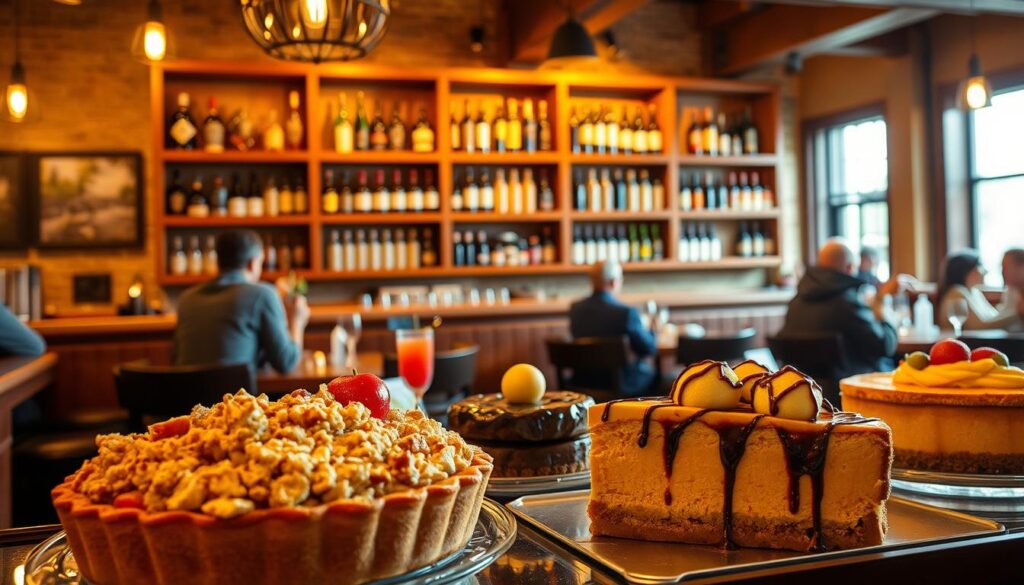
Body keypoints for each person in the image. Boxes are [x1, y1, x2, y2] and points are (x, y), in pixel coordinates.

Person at [173, 230, 309, 374]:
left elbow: (176, 359)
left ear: (218, 261)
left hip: (187, 389)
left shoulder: (186, 299)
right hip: (235, 389)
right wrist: (297, 321)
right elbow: (286, 363)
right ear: (252, 263)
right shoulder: (262, 295)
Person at [778, 238, 898, 378]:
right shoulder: (848, 304)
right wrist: (881, 304)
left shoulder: (794, 304)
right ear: (850, 267)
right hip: (849, 387)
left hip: (801, 387)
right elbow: (885, 346)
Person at [568, 260, 657, 396]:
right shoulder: (626, 313)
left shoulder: (575, 309)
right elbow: (648, 348)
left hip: (581, 383)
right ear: (614, 282)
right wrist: (653, 328)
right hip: (620, 386)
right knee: (655, 377)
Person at [937, 250, 1023, 331]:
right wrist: (1018, 313)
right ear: (966, 271)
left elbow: (994, 318)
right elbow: (979, 327)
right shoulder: (956, 293)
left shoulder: (975, 292)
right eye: (979, 266)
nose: (985, 271)